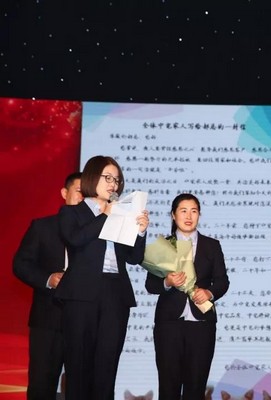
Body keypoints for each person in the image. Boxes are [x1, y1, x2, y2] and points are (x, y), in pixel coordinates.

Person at [56, 155, 149, 400]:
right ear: (91, 177)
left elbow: (134, 257)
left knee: (107, 366)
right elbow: (75, 239)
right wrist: (105, 215)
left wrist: (141, 232)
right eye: (107, 178)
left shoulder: (122, 214)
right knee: (78, 365)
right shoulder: (71, 213)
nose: (113, 184)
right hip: (81, 296)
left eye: (116, 180)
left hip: (115, 295)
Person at [145, 193, 230, 400]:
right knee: (168, 386)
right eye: (183, 211)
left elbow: (222, 281)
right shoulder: (164, 245)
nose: (189, 216)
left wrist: (209, 292)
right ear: (173, 215)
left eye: (194, 211)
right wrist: (167, 282)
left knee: (196, 386)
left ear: (199, 215)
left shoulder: (211, 245)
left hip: (202, 325)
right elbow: (151, 285)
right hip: (169, 324)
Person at [13, 172, 82, 400]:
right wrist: (48, 279)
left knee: (82, 386)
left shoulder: (97, 232)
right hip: (47, 319)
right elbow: (21, 264)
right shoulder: (43, 227)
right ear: (64, 193)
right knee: (42, 385)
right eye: (79, 191)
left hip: (83, 322)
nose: (83, 197)